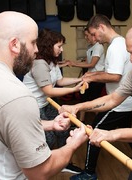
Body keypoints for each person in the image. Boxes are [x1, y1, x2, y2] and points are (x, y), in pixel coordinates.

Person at [60, 21, 132, 179]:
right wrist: (77, 107)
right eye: (129, 52)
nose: (131, 59)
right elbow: (112, 99)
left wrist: (111, 134)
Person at [0, 11, 88, 179]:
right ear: (14, 44)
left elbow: (2, 125)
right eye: (33, 42)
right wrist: (73, 145)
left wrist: (50, 125)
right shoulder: (17, 96)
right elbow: (40, 171)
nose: (36, 49)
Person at [22, 28, 85, 174]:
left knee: (64, 130)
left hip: (46, 103)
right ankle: (42, 168)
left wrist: (81, 79)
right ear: (48, 46)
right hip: (33, 106)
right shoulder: (39, 63)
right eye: (59, 46)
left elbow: (60, 81)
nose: (61, 50)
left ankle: (65, 163)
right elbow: (49, 90)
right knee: (48, 139)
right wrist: (75, 89)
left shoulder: (52, 62)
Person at [68, 27, 105, 121]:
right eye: (84, 35)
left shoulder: (98, 46)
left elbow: (92, 64)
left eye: (87, 35)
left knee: (93, 101)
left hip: (97, 78)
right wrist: (73, 63)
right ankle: (81, 121)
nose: (85, 37)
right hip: (90, 76)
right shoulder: (90, 47)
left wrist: (74, 64)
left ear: (93, 35)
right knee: (83, 98)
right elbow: (87, 62)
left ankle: (99, 121)